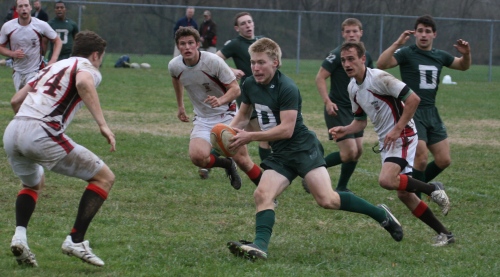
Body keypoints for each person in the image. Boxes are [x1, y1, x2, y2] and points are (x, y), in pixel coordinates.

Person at [226, 38, 404, 261]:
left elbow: (286, 130)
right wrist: (226, 133)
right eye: (253, 62)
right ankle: (260, 246)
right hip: (281, 154)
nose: (255, 68)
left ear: (275, 62)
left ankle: (381, 214)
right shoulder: (250, 84)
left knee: (327, 200)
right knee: (262, 194)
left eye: (261, 62)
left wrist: (249, 136)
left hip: (302, 148)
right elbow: (243, 116)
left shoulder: (287, 87)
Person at [4, 30, 114, 267]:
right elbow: (84, 83)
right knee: (104, 178)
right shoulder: (88, 68)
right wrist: (103, 125)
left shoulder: (50, 67)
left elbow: (15, 101)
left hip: (13, 130)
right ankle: (76, 240)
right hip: (41, 132)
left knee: (32, 184)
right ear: (95, 55)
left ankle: (20, 237)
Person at [331, 41, 454, 246]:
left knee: (386, 180)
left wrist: (397, 129)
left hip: (403, 134)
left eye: (351, 58)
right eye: (343, 60)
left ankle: (432, 188)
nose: (346, 63)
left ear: (363, 59)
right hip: (388, 140)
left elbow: (413, 99)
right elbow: (360, 123)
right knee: (404, 194)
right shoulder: (352, 87)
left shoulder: (379, 78)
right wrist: (345, 129)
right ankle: (445, 234)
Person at [376, 15, 471, 187]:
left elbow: (463, 66)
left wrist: (466, 55)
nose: (424, 35)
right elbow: (382, 64)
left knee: (444, 160)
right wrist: (398, 43)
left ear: (434, 34)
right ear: (415, 34)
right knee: (421, 159)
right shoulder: (406, 53)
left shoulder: (440, 56)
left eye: (428, 31)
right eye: (420, 31)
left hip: (431, 112)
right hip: (412, 112)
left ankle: (415, 188)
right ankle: (419, 197)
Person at [168, 27, 264, 191]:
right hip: (203, 118)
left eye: (191, 43)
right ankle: (226, 164)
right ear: (178, 46)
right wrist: (180, 106)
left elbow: (236, 89)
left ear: (198, 44)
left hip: (228, 115)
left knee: (242, 160)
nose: (187, 47)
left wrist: (220, 100)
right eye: (182, 44)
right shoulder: (175, 65)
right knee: (198, 158)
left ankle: (268, 192)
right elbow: (176, 80)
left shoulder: (212, 62)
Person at [303, 18, 373, 194]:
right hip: (338, 109)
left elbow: (371, 81)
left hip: (356, 110)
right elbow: (320, 77)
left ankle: (342, 186)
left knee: (357, 152)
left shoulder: (366, 56)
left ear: (361, 33)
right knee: (349, 152)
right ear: (343, 34)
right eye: (347, 31)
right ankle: (311, 171)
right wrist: (327, 101)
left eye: (354, 31)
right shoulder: (336, 54)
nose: (351, 34)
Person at [212, 12, 271, 179]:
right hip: (249, 94)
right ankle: (268, 174)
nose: (248, 25)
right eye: (243, 23)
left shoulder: (262, 41)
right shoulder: (235, 44)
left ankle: (210, 157)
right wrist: (231, 70)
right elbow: (215, 60)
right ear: (237, 28)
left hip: (265, 93)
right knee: (263, 136)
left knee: (235, 133)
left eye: (250, 22)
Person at [0, 0, 62, 93]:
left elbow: (57, 41)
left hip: (36, 70)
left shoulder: (40, 25)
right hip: (18, 71)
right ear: (16, 9)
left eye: (26, 5)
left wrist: (53, 60)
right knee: (21, 103)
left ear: (30, 7)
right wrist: (12, 53)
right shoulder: (8, 27)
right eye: (20, 6)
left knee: (31, 100)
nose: (24, 8)